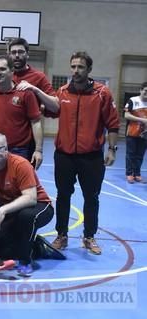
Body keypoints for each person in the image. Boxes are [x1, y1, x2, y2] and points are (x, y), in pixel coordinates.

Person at [50, 52, 120, 255]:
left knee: (92, 197)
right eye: (73, 67)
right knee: (63, 196)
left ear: (89, 70)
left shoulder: (102, 93)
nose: (75, 71)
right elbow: (48, 111)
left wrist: (112, 150)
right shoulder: (62, 92)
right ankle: (61, 235)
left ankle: (89, 237)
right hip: (64, 155)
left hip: (91, 157)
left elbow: (113, 124)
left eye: (80, 67)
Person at [0, 132, 54, 277]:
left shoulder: (20, 165)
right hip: (12, 212)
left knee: (26, 217)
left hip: (39, 206)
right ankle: (38, 246)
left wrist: (2, 211)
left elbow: (31, 198)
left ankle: (25, 260)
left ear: (6, 149)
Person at [8, 38, 58, 114]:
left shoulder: (39, 76)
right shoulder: (4, 76)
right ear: (9, 55)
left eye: (21, 52)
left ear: (27, 54)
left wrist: (35, 89)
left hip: (30, 124)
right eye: (14, 52)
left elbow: (55, 107)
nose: (17, 55)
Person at [123, 82, 147, 183]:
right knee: (131, 154)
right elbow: (126, 115)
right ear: (141, 90)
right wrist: (142, 120)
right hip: (132, 133)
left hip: (144, 134)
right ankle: (129, 174)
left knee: (140, 155)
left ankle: (137, 174)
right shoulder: (133, 100)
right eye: (146, 91)